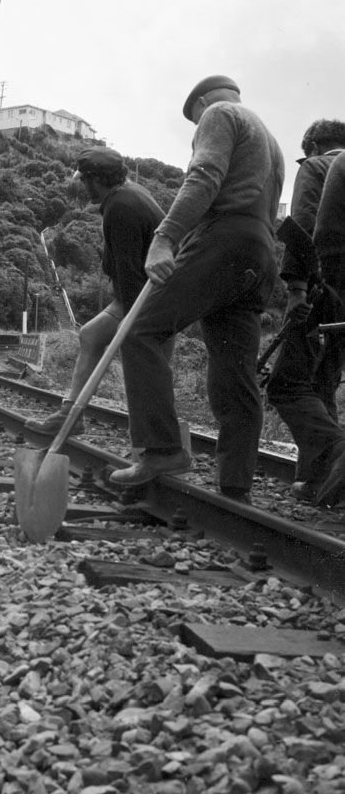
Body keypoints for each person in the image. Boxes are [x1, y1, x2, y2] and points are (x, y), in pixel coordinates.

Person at [109, 75, 284, 503]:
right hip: (260, 253)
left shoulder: (219, 114)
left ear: (202, 103)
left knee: (140, 330)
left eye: (194, 122)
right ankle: (236, 484)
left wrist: (165, 237)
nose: (197, 129)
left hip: (224, 239)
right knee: (234, 370)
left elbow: (204, 175)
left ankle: (162, 450)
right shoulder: (271, 140)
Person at [25, 146, 167, 434]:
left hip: (150, 298)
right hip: (144, 293)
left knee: (145, 366)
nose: (83, 186)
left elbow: (129, 271)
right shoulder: (128, 194)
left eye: (85, 180)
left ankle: (155, 441)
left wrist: (134, 326)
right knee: (90, 335)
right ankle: (71, 415)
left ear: (98, 179)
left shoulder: (121, 207)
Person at [266, 120, 345, 505]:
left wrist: (297, 288)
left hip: (322, 287)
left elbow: (304, 228)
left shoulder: (317, 166)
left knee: (286, 384)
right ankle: (317, 481)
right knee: (322, 385)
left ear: (313, 145)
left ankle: (337, 452)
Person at [308, 150, 345, 505]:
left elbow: (324, 235)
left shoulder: (339, 164)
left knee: (320, 379)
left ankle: (323, 484)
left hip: (337, 288)